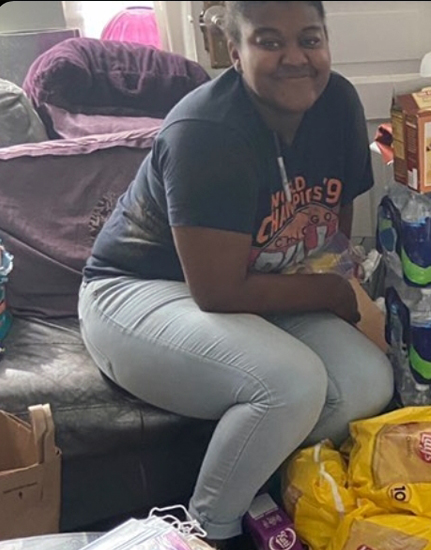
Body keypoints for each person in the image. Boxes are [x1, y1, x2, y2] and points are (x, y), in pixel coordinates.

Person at [77, 1, 393, 546]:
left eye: (310, 39)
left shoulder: (338, 101)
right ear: (235, 50)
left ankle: (267, 492)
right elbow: (217, 290)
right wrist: (334, 295)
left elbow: (327, 236)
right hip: (139, 289)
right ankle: (207, 529)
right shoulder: (206, 131)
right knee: (290, 382)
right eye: (269, 41)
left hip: (264, 279)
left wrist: (353, 298)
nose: (296, 57)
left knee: (368, 382)